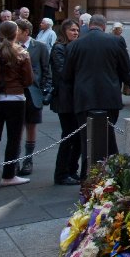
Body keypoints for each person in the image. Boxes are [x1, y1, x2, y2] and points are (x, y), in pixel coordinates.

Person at [64, 15, 130, 179]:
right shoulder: (115, 41)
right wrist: (129, 80)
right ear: (104, 26)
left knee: (86, 141)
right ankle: (112, 178)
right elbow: (127, 72)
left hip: (83, 100)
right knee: (109, 140)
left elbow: (66, 76)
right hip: (109, 98)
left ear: (89, 25)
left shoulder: (75, 45)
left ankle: (87, 179)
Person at [0, 21, 34, 190]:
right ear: (16, 33)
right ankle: (9, 175)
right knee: (14, 138)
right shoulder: (22, 53)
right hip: (16, 98)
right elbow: (29, 80)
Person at [14, 19, 51, 176]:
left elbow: (46, 70)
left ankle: (28, 159)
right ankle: (13, 160)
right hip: (15, 93)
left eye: (17, 31)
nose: (14, 34)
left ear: (25, 32)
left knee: (31, 126)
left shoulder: (40, 47)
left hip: (33, 93)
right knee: (16, 128)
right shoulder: (11, 47)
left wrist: (43, 90)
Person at [50, 19, 82, 185]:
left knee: (77, 138)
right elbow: (64, 72)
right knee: (68, 136)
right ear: (64, 32)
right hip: (64, 100)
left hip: (76, 99)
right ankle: (61, 173)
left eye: (77, 30)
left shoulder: (75, 47)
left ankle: (72, 170)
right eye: (72, 30)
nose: (75, 33)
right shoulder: (59, 48)